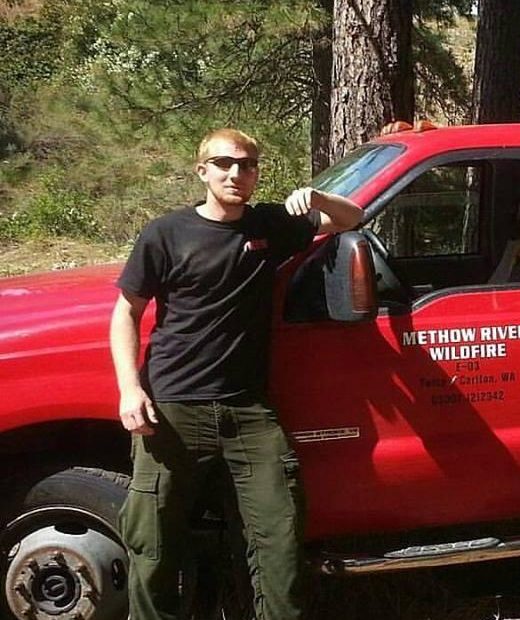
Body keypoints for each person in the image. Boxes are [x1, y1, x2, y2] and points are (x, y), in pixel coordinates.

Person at [109, 127, 362, 620]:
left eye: (246, 165)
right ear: (202, 170)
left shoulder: (271, 225)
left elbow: (354, 217)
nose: (236, 173)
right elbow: (126, 311)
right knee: (153, 542)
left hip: (248, 410)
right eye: (224, 163)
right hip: (172, 407)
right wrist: (129, 388)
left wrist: (318, 196)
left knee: (280, 538)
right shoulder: (165, 233)